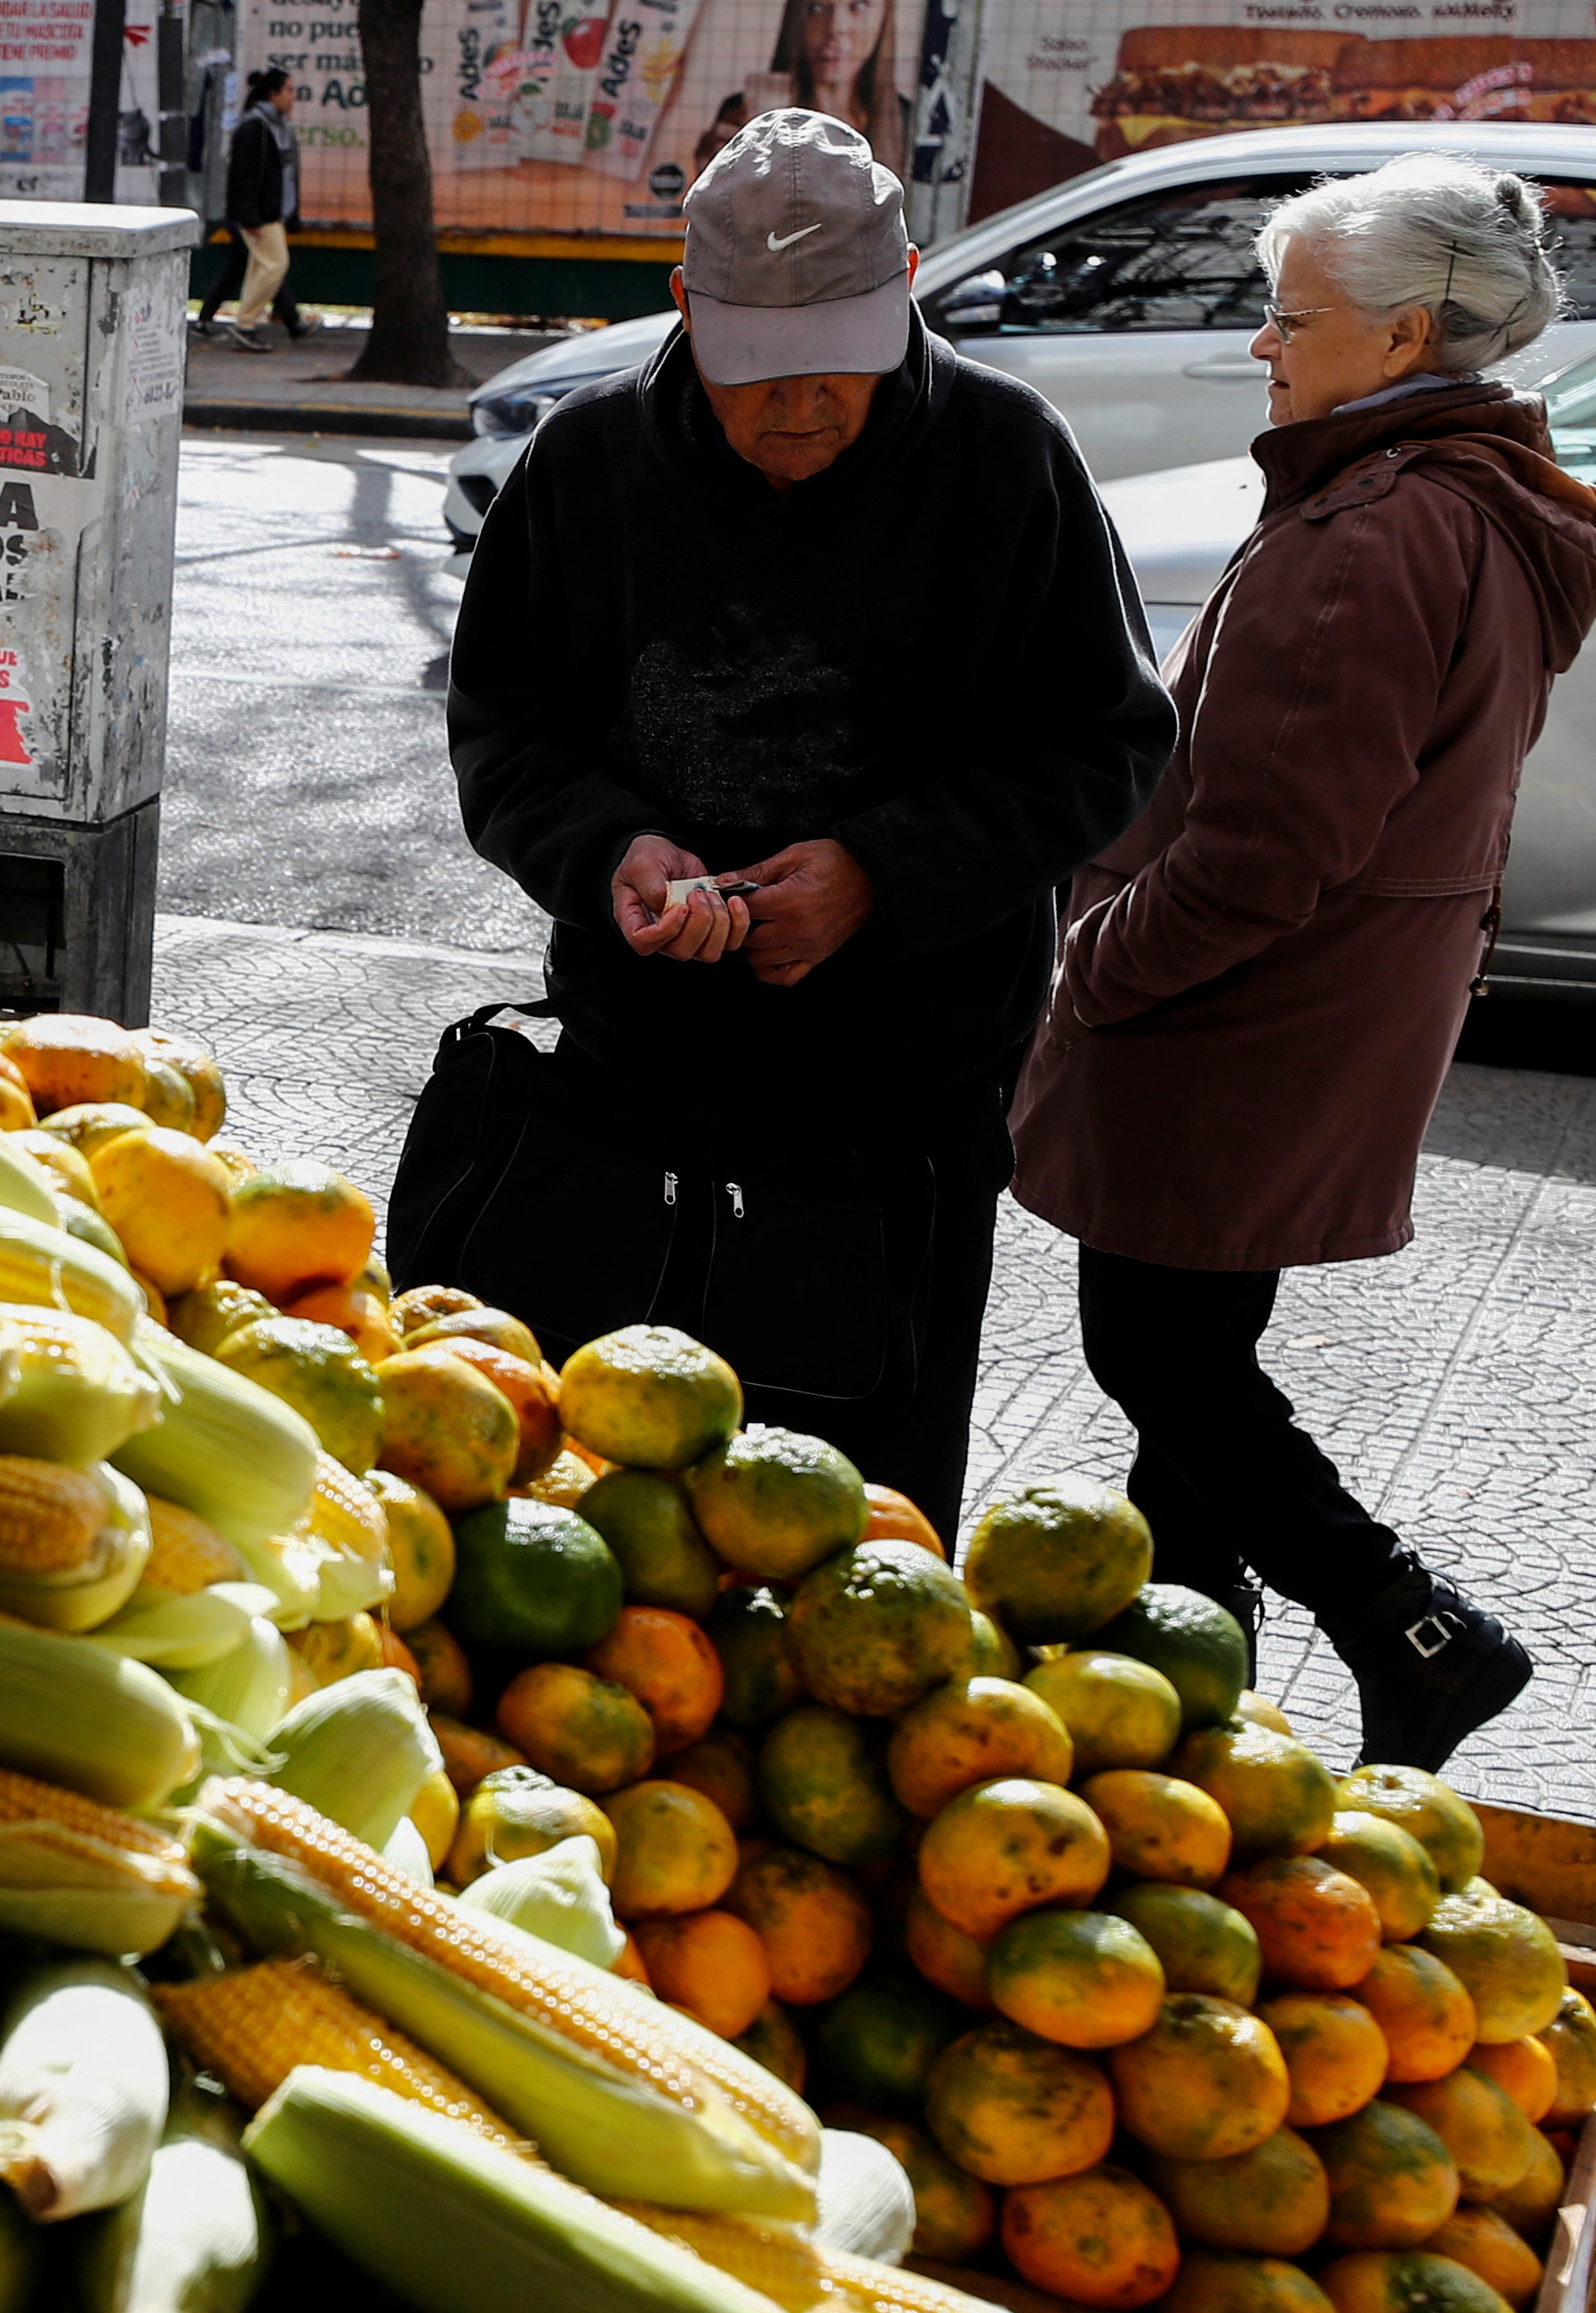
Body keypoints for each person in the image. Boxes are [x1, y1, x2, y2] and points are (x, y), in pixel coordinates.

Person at [398, 108, 1174, 1531]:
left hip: (901, 1107)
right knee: (600, 1515)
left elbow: (1106, 740)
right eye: (758, 370)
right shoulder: (584, 466)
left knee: (856, 1530)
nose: (799, 407)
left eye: (839, 367)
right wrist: (609, 854)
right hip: (632, 1074)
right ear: (686, 308)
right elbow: (502, 729)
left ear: (906, 296)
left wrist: (879, 877)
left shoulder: (1006, 458)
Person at [1008, 156, 1596, 1770]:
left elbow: (1265, 853)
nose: (1266, 345)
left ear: (1407, 333)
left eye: (1294, 317)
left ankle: (1415, 1633)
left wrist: (1097, 964)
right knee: (1189, 1362)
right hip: (1319, 1013)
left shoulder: (1371, 534)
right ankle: (1187, 1695)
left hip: (1239, 1024)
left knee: (1161, 1353)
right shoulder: (1463, 499)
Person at [214, 70, 300, 352]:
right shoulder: (255, 128)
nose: (293, 96)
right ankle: (245, 324)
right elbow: (243, 175)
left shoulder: (277, 126)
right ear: (272, 94)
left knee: (259, 267)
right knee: (275, 264)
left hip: (272, 210)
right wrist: (248, 215)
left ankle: (246, 325)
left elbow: (287, 173)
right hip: (261, 213)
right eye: (288, 90)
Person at [776, 0, 899, 170]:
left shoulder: (914, 124)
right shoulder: (748, 114)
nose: (835, 28)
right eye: (816, 8)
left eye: (857, 6)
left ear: (884, 15)